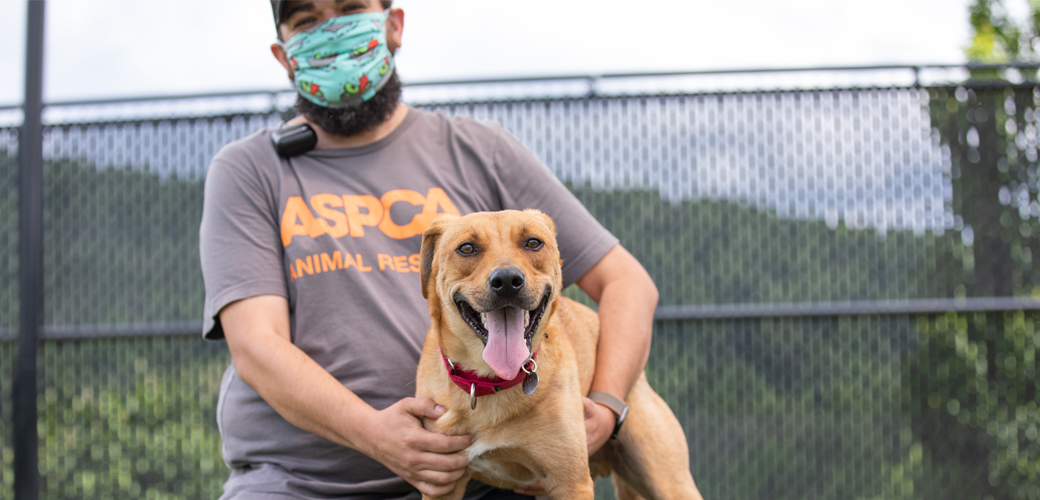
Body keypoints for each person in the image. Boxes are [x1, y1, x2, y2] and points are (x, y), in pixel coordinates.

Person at [198, 1, 660, 498]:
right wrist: (376, 435)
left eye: (351, 9)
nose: (334, 32)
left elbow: (626, 283)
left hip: (486, 476)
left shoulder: (480, 149)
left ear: (394, 25)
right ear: (284, 55)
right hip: (297, 484)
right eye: (308, 20)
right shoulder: (250, 170)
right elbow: (256, 346)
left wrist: (607, 406)